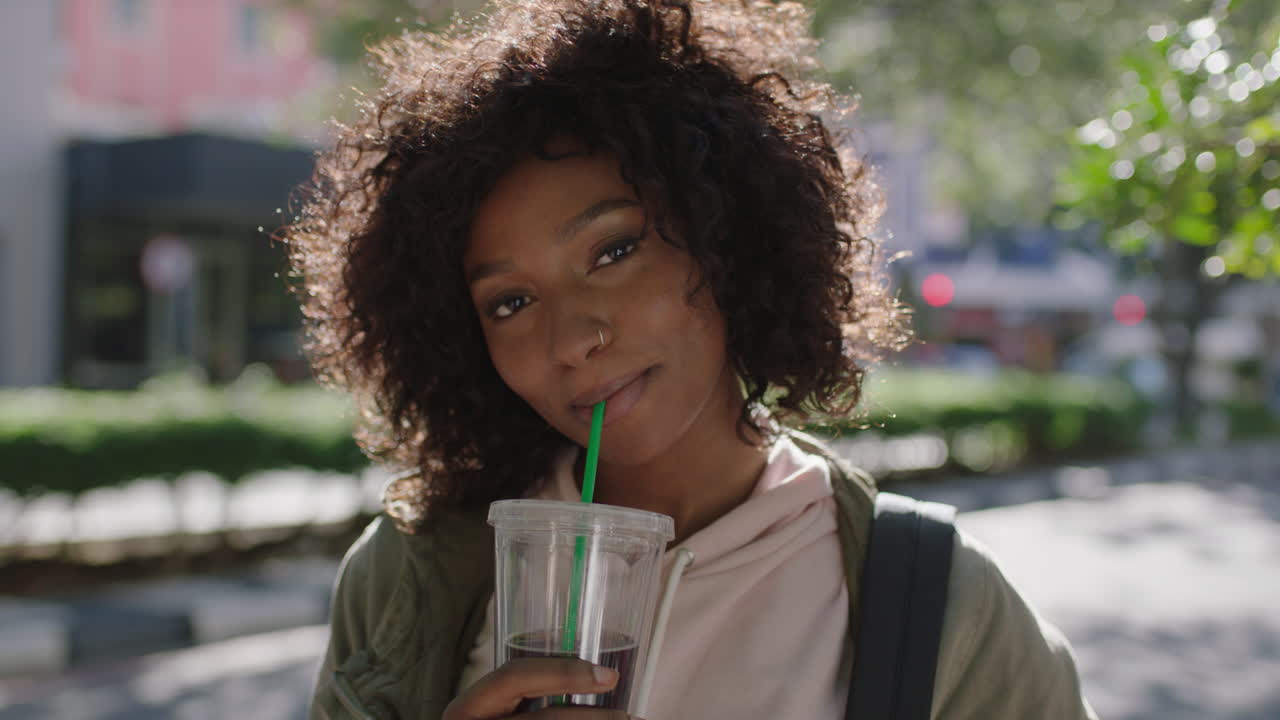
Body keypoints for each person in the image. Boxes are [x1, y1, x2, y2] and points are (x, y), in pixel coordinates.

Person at [286, 0, 1098, 718]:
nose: (571, 339)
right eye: (509, 303)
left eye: (613, 252)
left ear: (724, 238)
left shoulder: (940, 606)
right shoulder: (405, 577)